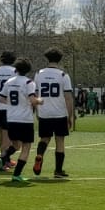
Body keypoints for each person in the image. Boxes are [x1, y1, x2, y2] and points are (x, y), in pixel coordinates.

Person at [32, 48, 75, 178]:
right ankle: (58, 171)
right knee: (60, 141)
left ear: (47, 58)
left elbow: (35, 94)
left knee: (44, 138)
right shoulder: (63, 75)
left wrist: (37, 111)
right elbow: (68, 97)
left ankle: (39, 155)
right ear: (60, 59)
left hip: (44, 112)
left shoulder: (39, 74)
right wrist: (71, 116)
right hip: (59, 113)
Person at [0, 58, 38, 183]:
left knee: (16, 145)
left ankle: (3, 158)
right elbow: (33, 100)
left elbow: (1, 99)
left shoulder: (9, 82)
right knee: (26, 147)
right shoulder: (29, 83)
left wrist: (15, 105)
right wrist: (40, 101)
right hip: (25, 119)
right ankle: (17, 174)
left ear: (16, 69)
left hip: (12, 119)